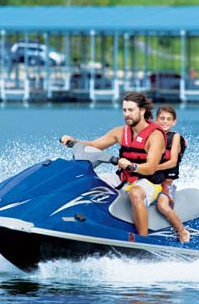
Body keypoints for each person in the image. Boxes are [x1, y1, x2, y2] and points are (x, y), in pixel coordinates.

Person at [60, 92, 166, 238]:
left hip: (149, 181)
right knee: (89, 183)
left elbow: (151, 168)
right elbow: (94, 145)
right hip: (123, 178)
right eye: (124, 110)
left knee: (135, 193)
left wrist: (132, 166)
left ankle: (142, 239)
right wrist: (74, 141)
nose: (127, 114)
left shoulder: (155, 136)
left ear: (142, 111)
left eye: (131, 110)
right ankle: (80, 222)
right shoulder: (120, 132)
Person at [153, 105, 190, 243]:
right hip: (151, 181)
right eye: (162, 118)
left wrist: (152, 167)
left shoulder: (175, 137)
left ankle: (182, 231)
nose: (165, 121)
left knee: (162, 205)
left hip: (166, 184)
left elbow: (173, 162)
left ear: (174, 122)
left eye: (169, 119)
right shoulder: (152, 137)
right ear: (156, 120)